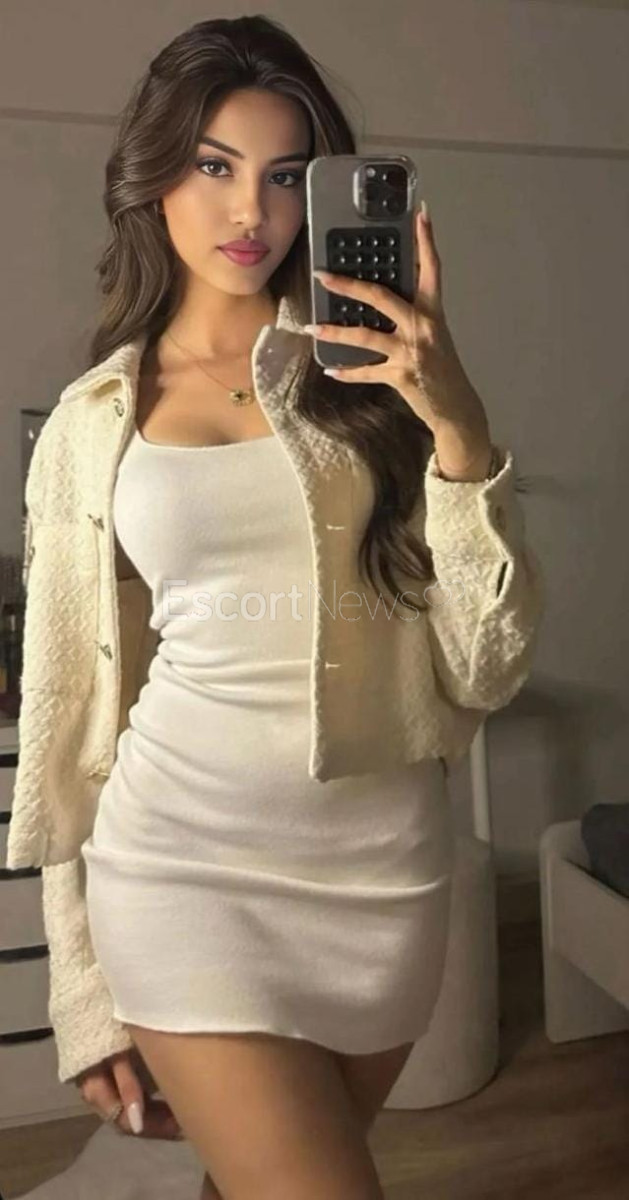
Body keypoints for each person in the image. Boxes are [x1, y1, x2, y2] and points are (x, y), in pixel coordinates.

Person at [8, 15, 545, 1199]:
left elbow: (484, 666)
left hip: (381, 875)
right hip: (182, 870)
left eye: (287, 174)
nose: (249, 209)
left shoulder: (376, 389)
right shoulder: (93, 422)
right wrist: (82, 984)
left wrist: (456, 424)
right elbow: (69, 717)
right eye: (213, 165)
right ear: (153, 177)